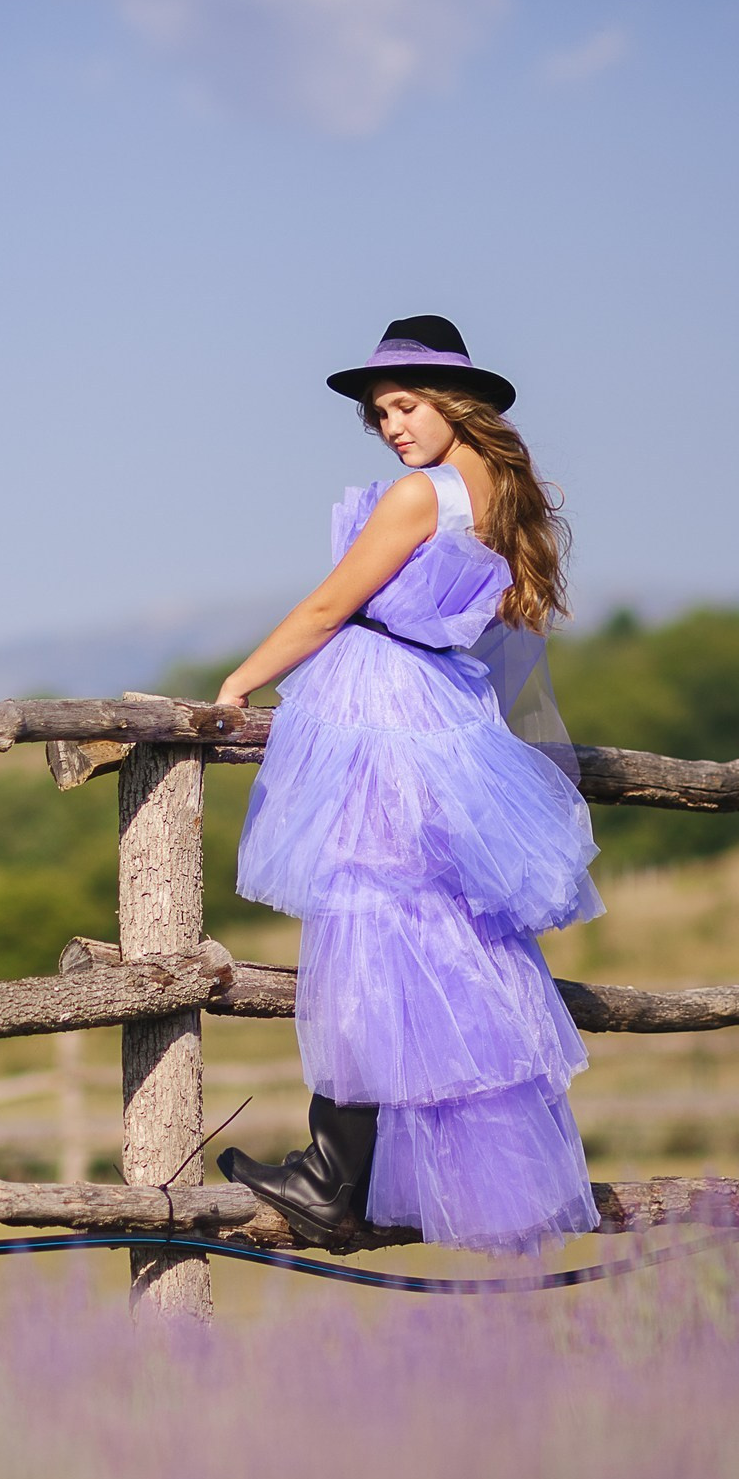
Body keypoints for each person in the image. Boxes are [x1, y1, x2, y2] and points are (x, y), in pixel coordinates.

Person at [213, 315, 604, 1255]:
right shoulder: (502, 499)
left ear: (454, 403)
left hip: (387, 708)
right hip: (445, 711)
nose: (391, 425)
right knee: (439, 938)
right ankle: (379, 1173)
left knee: (368, 922)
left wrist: (239, 682)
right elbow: (514, 653)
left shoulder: (418, 498)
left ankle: (332, 1174)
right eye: (379, 413)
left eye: (405, 404)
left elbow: (325, 606)